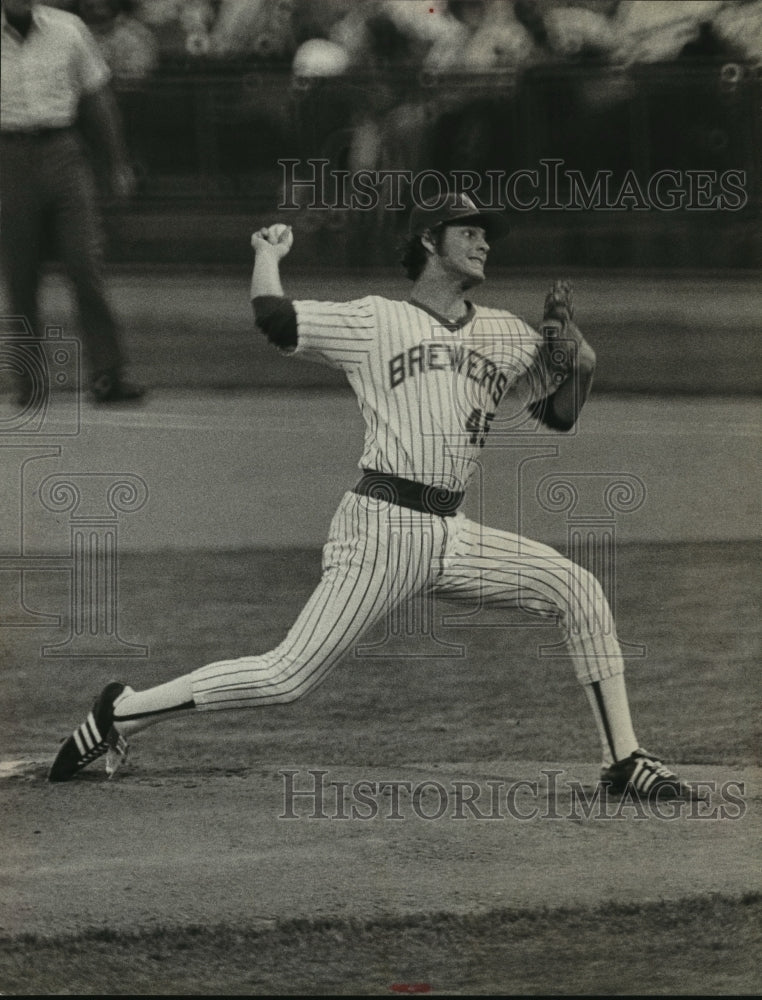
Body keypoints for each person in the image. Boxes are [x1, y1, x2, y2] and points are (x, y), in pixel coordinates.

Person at [49, 192, 700, 802]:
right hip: (381, 530)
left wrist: (580, 367)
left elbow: (557, 416)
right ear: (428, 240)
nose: (483, 244)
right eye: (467, 232)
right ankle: (121, 712)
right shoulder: (375, 319)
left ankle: (625, 760)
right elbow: (274, 319)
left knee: (578, 589)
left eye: (486, 235)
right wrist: (267, 255)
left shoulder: (503, 333)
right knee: (285, 678)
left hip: (452, 535)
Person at [0, 0, 144, 404]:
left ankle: (109, 375)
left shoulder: (68, 29)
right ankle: (29, 383)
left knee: (84, 264)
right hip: (7, 153)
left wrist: (118, 163)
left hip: (62, 149)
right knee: (20, 274)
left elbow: (98, 99)